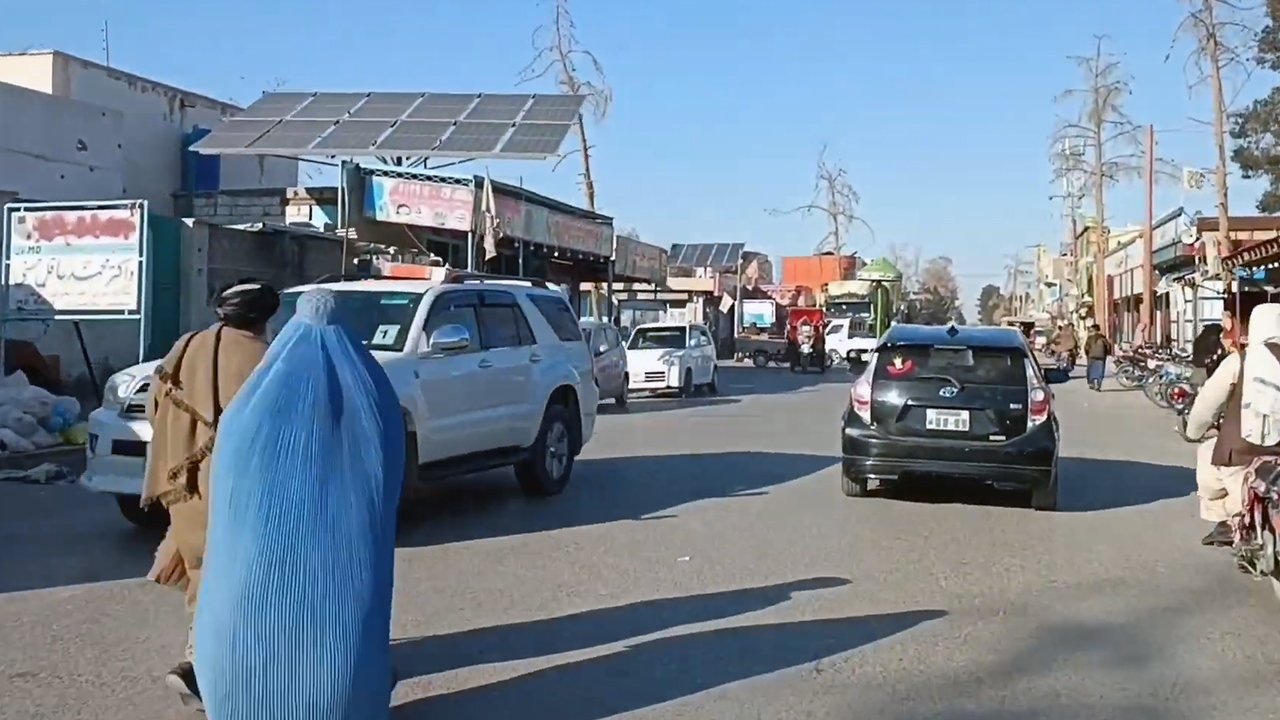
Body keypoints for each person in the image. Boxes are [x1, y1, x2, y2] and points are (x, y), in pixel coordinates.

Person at [194, 288, 404, 720]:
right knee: (344, 640)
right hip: (345, 572)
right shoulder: (373, 392)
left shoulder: (252, 404)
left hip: (248, 580)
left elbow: (228, 496)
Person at [141, 280, 280, 707]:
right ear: (265, 315)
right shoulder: (267, 359)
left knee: (202, 576)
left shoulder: (185, 347)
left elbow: (153, 406)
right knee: (238, 585)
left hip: (184, 487)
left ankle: (199, 663)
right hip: (235, 491)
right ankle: (206, 671)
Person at [1185, 303, 1280, 546]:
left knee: (1207, 454)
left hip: (1242, 453)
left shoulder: (1240, 361)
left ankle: (1227, 521)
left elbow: (1207, 403)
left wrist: (1193, 431)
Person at [1190, 323, 1227, 387]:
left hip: (1197, 368)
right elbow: (1221, 354)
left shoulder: (1199, 339)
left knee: (1195, 389)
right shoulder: (1215, 340)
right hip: (1209, 370)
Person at [1083, 323, 1111, 391]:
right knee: (1100, 371)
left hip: (1091, 356)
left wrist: (1087, 354)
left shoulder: (1090, 338)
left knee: (1091, 370)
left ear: (1093, 330)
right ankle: (1098, 384)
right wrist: (1107, 353)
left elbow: (1086, 347)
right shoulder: (1103, 337)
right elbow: (1108, 346)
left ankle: (1091, 383)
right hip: (1101, 356)